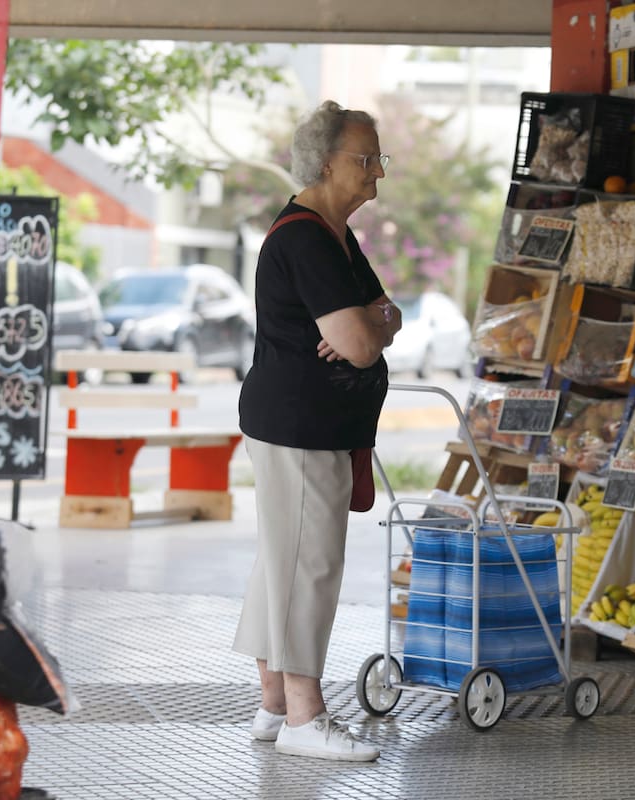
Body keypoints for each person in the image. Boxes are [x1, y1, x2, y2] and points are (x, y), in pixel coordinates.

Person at [233, 100, 401, 762]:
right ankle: (306, 717)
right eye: (367, 160)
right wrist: (371, 324)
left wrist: (375, 319)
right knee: (309, 566)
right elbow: (360, 342)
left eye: (380, 159)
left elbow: (383, 313)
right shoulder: (306, 237)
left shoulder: (334, 235)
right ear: (327, 162)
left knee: (283, 562)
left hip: (305, 425)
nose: (378, 174)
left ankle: (275, 705)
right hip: (301, 427)